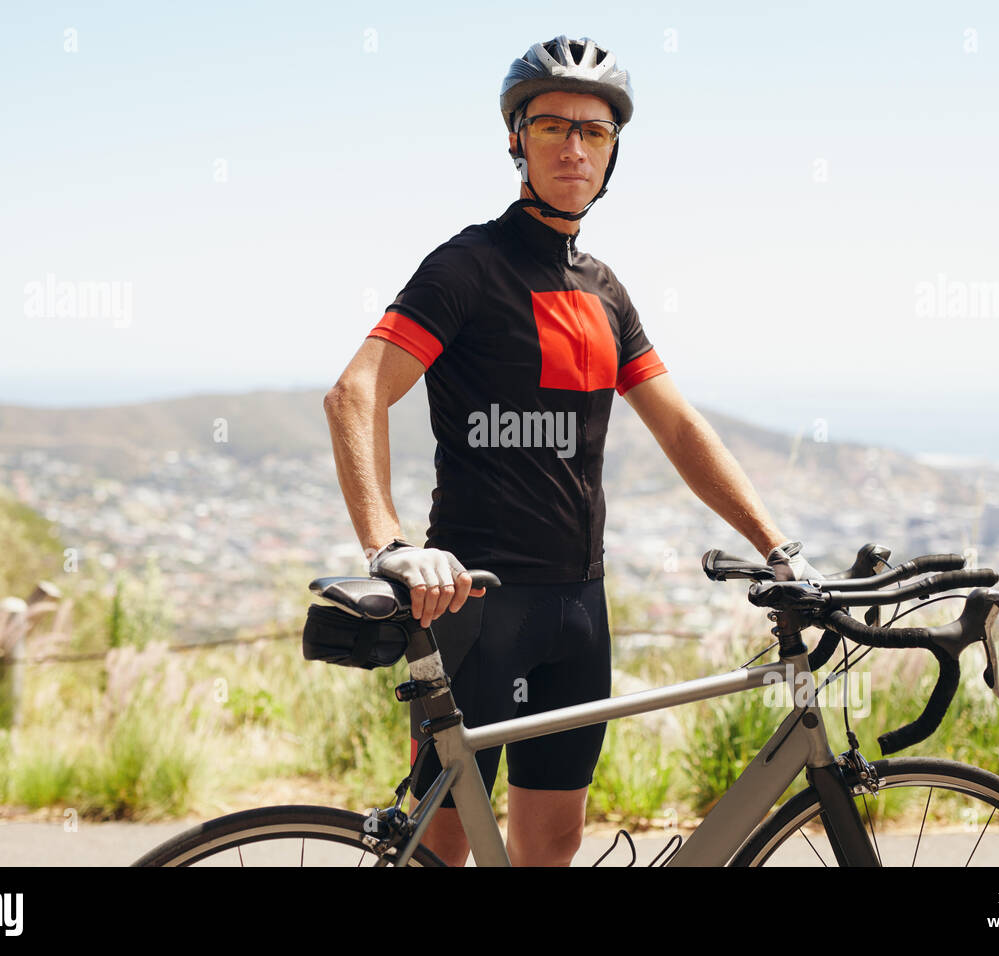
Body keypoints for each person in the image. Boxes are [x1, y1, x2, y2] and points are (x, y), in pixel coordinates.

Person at [323, 35, 820, 867]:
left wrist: (777, 549)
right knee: (440, 854)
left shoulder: (604, 290)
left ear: (613, 152)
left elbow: (679, 428)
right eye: (553, 126)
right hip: (474, 605)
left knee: (548, 852)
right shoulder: (468, 268)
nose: (575, 147)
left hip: (579, 611)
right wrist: (392, 547)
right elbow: (355, 392)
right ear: (516, 139)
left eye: (595, 132)